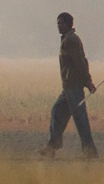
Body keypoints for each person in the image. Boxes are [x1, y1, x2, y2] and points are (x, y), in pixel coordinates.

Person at [40, 12, 99, 159]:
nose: (58, 26)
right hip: (68, 87)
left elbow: (80, 62)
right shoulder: (67, 39)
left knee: (80, 119)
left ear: (68, 24)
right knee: (57, 112)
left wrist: (88, 82)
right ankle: (52, 146)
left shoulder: (71, 40)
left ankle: (90, 151)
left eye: (61, 23)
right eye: (58, 23)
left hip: (74, 86)